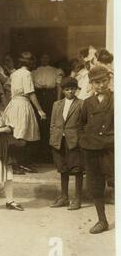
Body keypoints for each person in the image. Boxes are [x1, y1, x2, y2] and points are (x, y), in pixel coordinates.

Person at [78, 65, 114, 234]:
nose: (101, 86)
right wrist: (83, 141)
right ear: (91, 84)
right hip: (91, 149)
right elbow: (81, 124)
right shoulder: (87, 102)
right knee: (95, 185)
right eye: (97, 82)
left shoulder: (116, 99)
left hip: (110, 148)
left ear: (109, 80)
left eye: (104, 81)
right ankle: (102, 220)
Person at [4, 52, 47, 174]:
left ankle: (17, 164)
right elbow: (30, 93)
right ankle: (19, 164)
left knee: (17, 134)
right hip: (22, 104)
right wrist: (40, 110)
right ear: (30, 63)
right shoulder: (27, 74)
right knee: (23, 135)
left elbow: (7, 86)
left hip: (14, 104)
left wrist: (15, 94)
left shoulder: (14, 74)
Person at [49, 77, 84, 210]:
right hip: (59, 141)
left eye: (72, 89)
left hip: (74, 142)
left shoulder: (81, 104)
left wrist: (80, 139)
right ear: (62, 90)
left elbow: (83, 124)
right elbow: (52, 124)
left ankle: (77, 199)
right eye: (67, 89)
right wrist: (54, 138)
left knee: (77, 169)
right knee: (63, 169)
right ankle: (64, 197)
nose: (70, 91)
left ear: (76, 89)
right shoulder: (56, 104)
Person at [32, 54, 64, 162]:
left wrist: (58, 101)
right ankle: (40, 153)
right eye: (43, 57)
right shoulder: (35, 71)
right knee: (40, 123)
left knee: (51, 123)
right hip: (39, 96)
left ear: (50, 59)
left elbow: (59, 87)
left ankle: (50, 154)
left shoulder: (55, 71)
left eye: (47, 57)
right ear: (40, 59)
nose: (45, 59)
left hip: (51, 97)